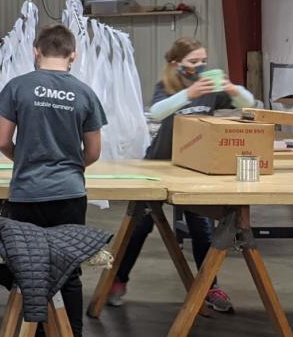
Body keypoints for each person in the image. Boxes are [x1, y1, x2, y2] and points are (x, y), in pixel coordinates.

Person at [0, 23, 107, 337]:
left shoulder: (18, 87)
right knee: (68, 273)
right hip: (70, 193)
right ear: (73, 55)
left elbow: (1, 141)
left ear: (36, 52)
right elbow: (95, 151)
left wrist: (26, 161)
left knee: (30, 269)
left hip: (27, 193)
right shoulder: (85, 93)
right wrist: (70, 168)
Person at [109, 37, 254, 313]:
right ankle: (118, 279)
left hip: (192, 166)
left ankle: (209, 286)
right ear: (176, 65)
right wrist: (190, 94)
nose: (199, 67)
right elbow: (157, 111)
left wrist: (231, 87)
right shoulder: (168, 85)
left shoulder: (212, 89)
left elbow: (248, 102)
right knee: (139, 225)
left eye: (203, 61)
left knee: (203, 227)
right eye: (192, 62)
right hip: (159, 164)